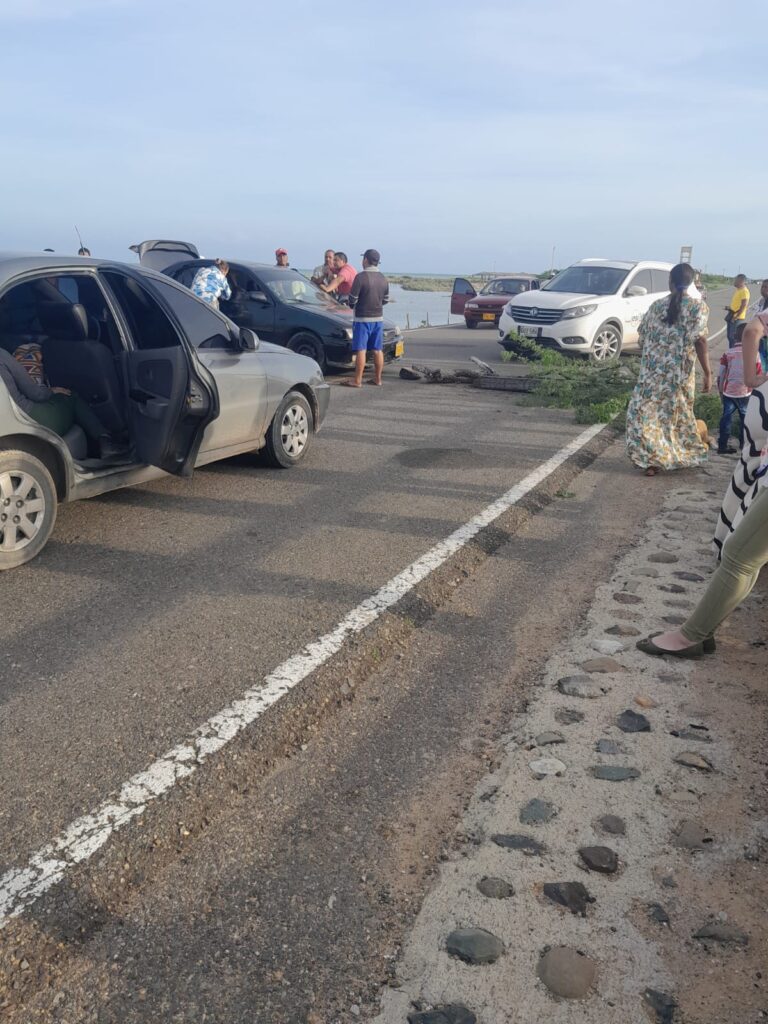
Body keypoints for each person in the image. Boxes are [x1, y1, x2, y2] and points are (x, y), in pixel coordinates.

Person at [625, 263, 712, 477]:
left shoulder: (655, 306)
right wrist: (708, 374)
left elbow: (642, 338)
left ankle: (653, 460)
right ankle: (672, 456)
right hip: (679, 376)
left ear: (670, 282)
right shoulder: (698, 307)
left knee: (647, 418)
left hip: (651, 375)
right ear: (692, 282)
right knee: (675, 416)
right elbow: (700, 341)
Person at [713, 309, 768, 555]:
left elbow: (752, 331)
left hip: (762, 402)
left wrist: (751, 378)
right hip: (755, 402)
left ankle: (729, 540)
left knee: (752, 468)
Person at [0, 346, 113, 456]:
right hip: (26, 419)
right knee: (72, 396)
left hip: (5, 426)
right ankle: (105, 440)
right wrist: (51, 391)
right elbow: (36, 394)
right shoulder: (2, 355)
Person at [345, 249, 389, 388]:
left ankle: (357, 380)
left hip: (362, 319)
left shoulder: (361, 277)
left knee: (361, 350)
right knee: (377, 349)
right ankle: (378, 379)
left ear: (365, 260)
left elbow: (352, 300)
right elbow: (386, 300)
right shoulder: (383, 278)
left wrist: (351, 304)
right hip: (378, 318)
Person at [716, 330, 759, 455]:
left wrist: (720, 390)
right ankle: (744, 444)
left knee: (726, 418)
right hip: (746, 392)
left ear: (734, 337)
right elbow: (758, 374)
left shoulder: (727, 353)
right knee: (745, 419)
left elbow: (721, 374)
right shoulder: (754, 354)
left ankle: (722, 445)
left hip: (729, 392)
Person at [726, 274, 750, 346]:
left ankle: (733, 355)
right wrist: (729, 308)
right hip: (732, 315)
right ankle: (730, 353)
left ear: (741, 281)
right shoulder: (738, 290)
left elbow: (744, 305)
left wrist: (736, 317)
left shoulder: (744, 291)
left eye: (736, 280)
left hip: (737, 318)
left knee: (733, 337)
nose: (734, 281)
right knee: (729, 337)